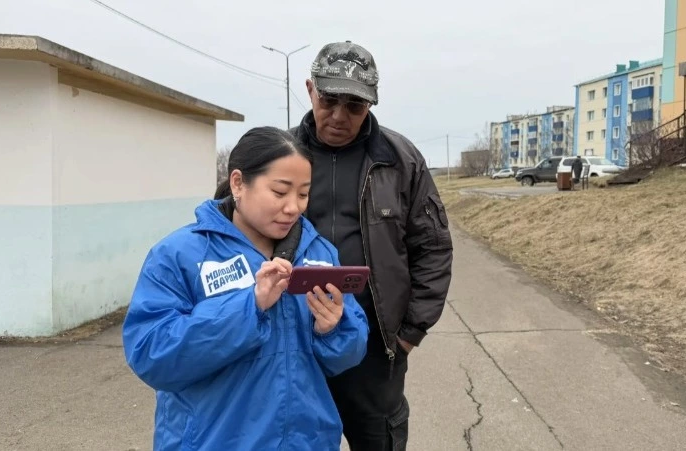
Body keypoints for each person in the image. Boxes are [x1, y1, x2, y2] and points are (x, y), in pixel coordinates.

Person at [121, 127, 369, 450]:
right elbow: (150, 354)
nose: (293, 207)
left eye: (303, 194)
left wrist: (333, 329)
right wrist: (248, 306)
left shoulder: (319, 253)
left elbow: (350, 352)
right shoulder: (180, 255)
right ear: (238, 183)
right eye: (280, 192)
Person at [290, 41, 454, 450]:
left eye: (355, 106)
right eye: (329, 100)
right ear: (310, 89)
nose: (339, 117)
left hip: (375, 352)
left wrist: (409, 333)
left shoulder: (401, 160)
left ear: (371, 105)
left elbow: (433, 248)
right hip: (294, 345)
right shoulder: (279, 155)